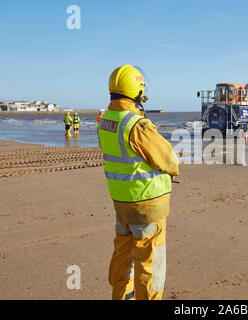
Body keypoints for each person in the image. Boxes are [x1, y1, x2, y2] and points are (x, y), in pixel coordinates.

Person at [98, 64, 179, 300]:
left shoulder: (106, 122)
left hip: (122, 204)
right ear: (137, 90)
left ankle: (122, 296)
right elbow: (168, 158)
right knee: (150, 262)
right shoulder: (136, 125)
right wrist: (174, 169)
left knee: (123, 257)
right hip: (147, 205)